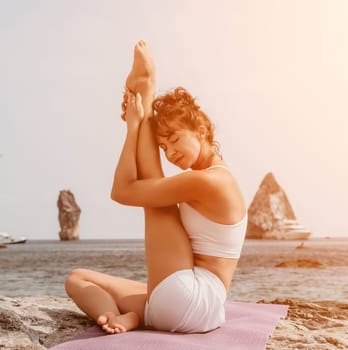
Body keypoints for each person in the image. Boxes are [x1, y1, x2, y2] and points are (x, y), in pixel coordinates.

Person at [64, 40, 247, 334]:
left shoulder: (207, 181)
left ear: (201, 131)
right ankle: (119, 317)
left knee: (156, 195)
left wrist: (134, 128)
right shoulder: (212, 176)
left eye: (174, 139)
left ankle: (146, 95)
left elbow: (123, 191)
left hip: (188, 295)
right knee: (76, 278)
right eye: (162, 145)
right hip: (200, 308)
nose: (170, 152)